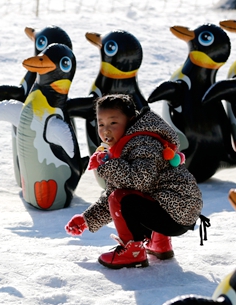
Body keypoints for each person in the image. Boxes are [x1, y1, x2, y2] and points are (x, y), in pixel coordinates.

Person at [65, 94, 203, 269]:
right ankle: (160, 244)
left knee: (123, 198)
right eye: (101, 124)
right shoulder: (127, 145)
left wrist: (108, 165)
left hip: (176, 212)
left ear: (130, 120)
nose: (106, 130)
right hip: (176, 211)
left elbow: (139, 182)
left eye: (113, 123)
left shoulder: (144, 143)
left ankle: (133, 252)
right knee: (130, 197)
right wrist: (86, 219)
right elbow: (117, 195)